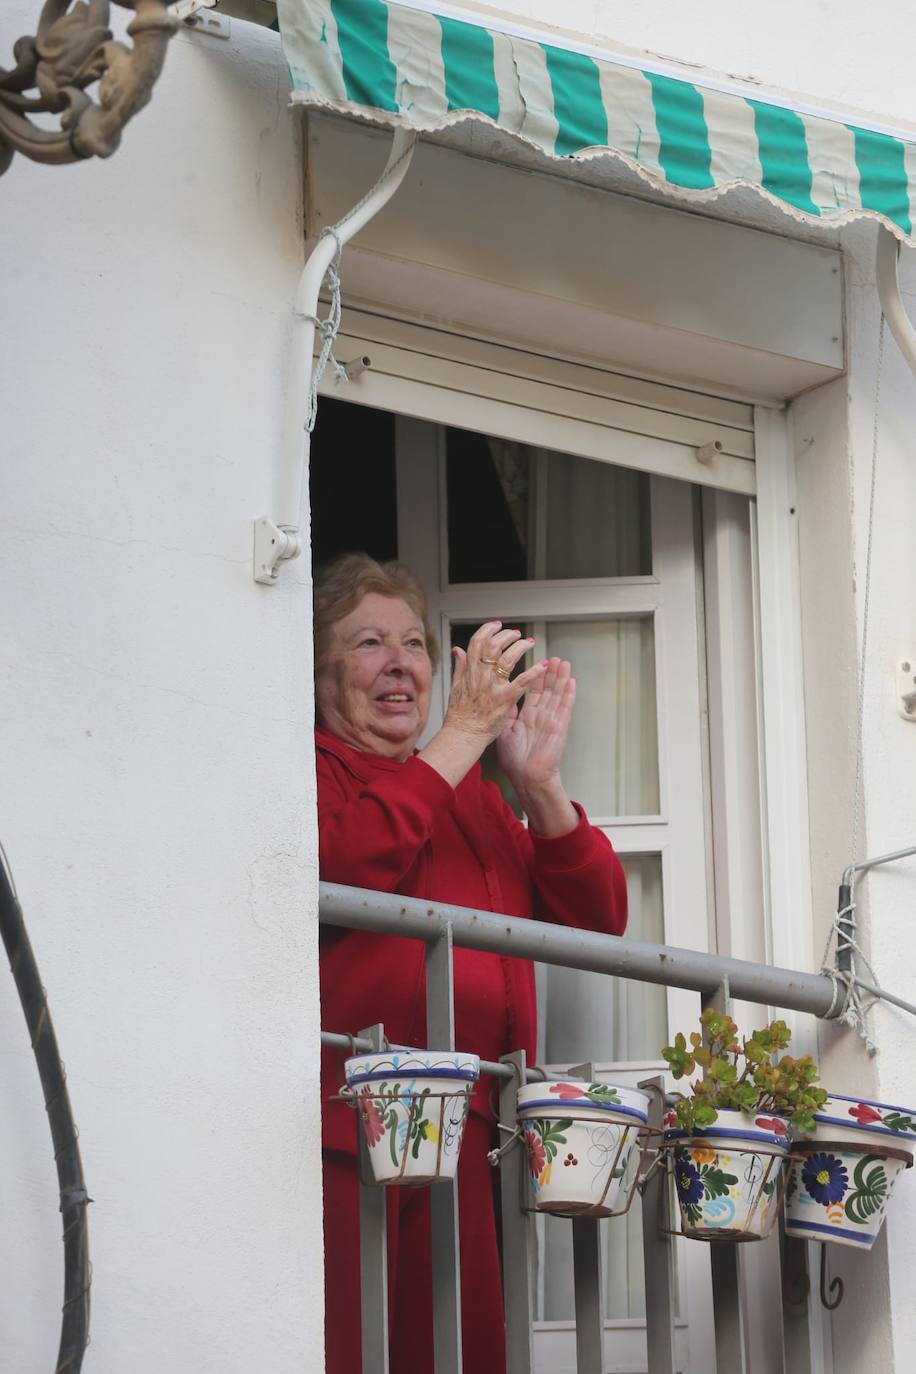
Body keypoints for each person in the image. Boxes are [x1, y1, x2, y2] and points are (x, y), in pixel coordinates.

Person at [315, 553, 628, 1374]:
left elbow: (599, 919)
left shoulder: (471, 797)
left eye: (414, 643)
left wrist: (538, 785)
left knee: (458, 1356)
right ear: (320, 675)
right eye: (367, 643)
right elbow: (345, 863)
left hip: (471, 1132)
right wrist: (459, 738)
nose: (398, 663)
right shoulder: (311, 768)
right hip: (350, 1129)